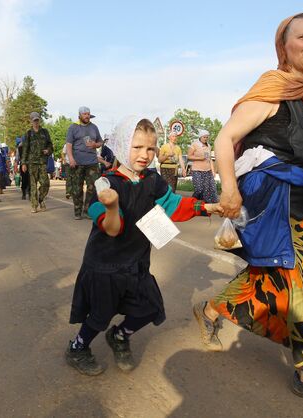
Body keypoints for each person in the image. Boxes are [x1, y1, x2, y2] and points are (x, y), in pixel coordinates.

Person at [192, 13, 303, 415]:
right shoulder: (271, 92)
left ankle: (210, 310)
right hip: (274, 208)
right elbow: (225, 137)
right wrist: (229, 190)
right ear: (283, 47)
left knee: (267, 275)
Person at [66, 116, 220, 376]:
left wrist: (209, 207)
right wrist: (113, 206)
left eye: (150, 148)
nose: (145, 155)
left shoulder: (153, 180)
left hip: (136, 261)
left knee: (149, 307)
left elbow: (173, 205)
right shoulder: (106, 184)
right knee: (100, 315)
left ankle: (120, 336)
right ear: (123, 144)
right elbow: (112, 228)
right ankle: (78, 347)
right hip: (106, 264)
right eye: (137, 147)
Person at [65, 106, 103, 220]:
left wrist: (95, 145)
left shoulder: (94, 128)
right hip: (77, 163)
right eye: (85, 114)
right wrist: (71, 158)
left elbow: (100, 141)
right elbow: (69, 145)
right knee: (77, 188)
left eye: (88, 114)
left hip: (92, 162)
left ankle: (87, 210)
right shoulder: (73, 127)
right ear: (80, 115)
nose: (87, 116)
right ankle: (77, 211)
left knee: (93, 187)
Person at [21, 112, 54, 213]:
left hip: (42, 162)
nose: (36, 122)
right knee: (33, 185)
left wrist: (48, 151)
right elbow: (25, 149)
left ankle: (41, 199)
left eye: (37, 120)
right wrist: (23, 163)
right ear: (31, 121)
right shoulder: (28, 134)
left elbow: (50, 145)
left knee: (45, 183)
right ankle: (34, 205)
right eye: (34, 120)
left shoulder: (44, 132)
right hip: (32, 163)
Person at [187, 129, 219, 203]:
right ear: (200, 137)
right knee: (199, 189)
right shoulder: (194, 145)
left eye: (207, 137)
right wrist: (200, 158)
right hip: (197, 170)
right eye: (204, 137)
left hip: (208, 170)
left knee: (208, 189)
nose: (206, 139)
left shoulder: (209, 146)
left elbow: (209, 159)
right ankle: (191, 202)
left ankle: (205, 205)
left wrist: (213, 171)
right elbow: (189, 156)